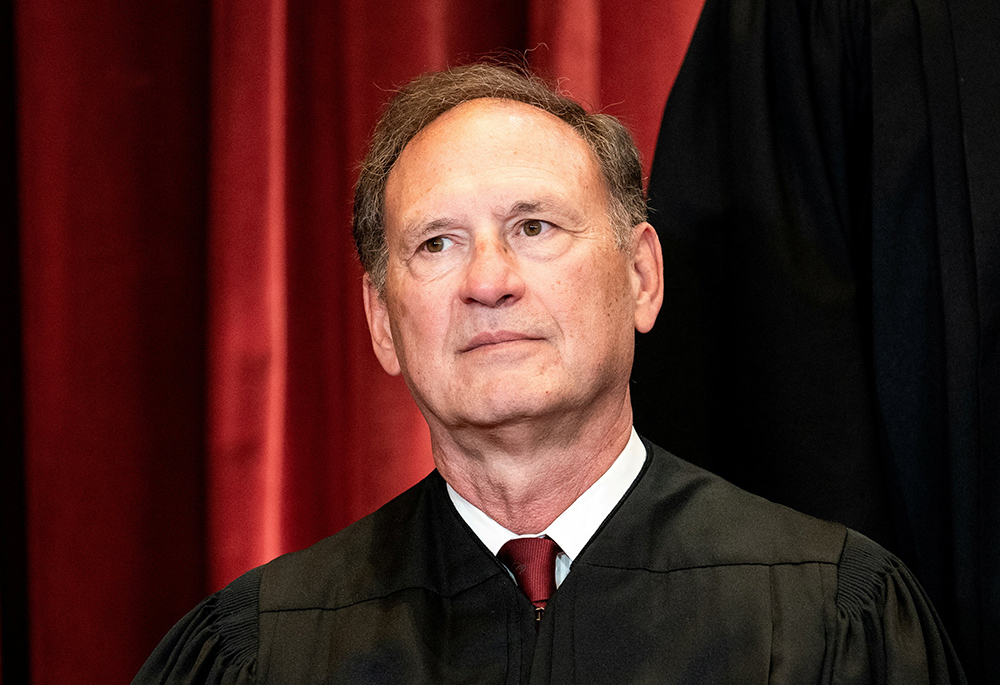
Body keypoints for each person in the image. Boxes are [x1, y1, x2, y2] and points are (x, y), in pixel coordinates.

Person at [133, 63, 965, 684]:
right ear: (383, 322)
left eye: (533, 226)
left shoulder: (831, 620)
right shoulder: (264, 650)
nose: (489, 279)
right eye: (436, 243)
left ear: (641, 277)